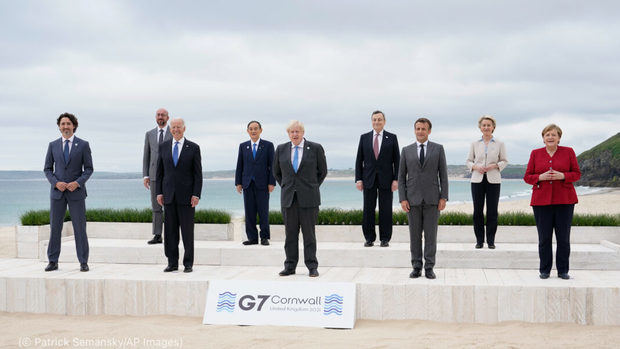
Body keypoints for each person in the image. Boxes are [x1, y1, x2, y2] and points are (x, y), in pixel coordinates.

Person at [524, 124, 580, 280]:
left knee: (563, 238)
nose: (550, 137)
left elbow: (577, 174)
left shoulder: (568, 152)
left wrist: (563, 176)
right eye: (547, 134)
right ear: (543, 138)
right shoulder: (535, 153)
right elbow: (527, 177)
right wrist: (539, 178)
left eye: (553, 135)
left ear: (559, 138)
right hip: (541, 202)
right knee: (544, 238)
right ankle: (544, 270)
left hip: (565, 201)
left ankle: (563, 271)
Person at [273, 120, 327, 277]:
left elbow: (322, 171)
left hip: (309, 199)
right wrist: (286, 186)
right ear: (288, 134)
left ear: (303, 133)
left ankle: (312, 266)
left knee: (309, 235)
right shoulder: (281, 149)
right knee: (290, 235)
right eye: (292, 132)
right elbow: (276, 172)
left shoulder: (315, 148)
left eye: (297, 131)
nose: (295, 134)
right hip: (289, 198)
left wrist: (311, 186)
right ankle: (290, 266)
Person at [398, 118, 448, 279]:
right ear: (414, 130)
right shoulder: (406, 150)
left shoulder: (438, 149)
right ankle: (416, 266)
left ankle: (429, 267)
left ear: (429, 131)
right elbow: (401, 177)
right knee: (414, 236)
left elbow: (443, 175)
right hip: (412, 200)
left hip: (433, 199)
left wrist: (444, 197)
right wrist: (402, 198)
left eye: (423, 129)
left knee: (431, 236)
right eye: (418, 128)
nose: (420, 131)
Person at [43, 113, 93, 272]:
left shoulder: (83, 145)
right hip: (57, 193)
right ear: (59, 126)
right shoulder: (53, 145)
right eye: (63, 124)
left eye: (68, 124)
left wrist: (77, 183)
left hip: (76, 193)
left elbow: (89, 169)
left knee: (80, 228)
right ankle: (52, 260)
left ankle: (83, 261)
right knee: (55, 227)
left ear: (74, 126)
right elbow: (47, 169)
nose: (65, 126)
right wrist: (56, 182)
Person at [156, 118, 203, 273]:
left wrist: (196, 194)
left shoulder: (194, 148)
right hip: (168, 196)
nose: (176, 129)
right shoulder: (163, 147)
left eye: (179, 127)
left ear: (184, 128)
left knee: (187, 232)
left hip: (187, 197)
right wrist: (159, 192)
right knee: (170, 232)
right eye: (173, 127)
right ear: (170, 130)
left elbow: (198, 175)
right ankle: (172, 263)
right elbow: (160, 172)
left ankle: (188, 263)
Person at [355, 110, 400, 247]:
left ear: (384, 121)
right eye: (374, 119)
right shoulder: (364, 137)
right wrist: (358, 179)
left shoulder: (392, 138)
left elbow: (397, 160)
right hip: (368, 179)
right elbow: (359, 160)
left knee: (385, 209)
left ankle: (385, 238)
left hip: (387, 180)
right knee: (368, 210)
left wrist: (396, 179)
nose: (377, 122)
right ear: (371, 121)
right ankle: (369, 238)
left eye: (379, 119)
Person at [465, 115, 508, 249]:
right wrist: (475, 167)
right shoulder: (474, 143)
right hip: (477, 179)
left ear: (493, 127)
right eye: (484, 125)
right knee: (477, 210)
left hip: (494, 180)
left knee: (492, 211)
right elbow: (468, 161)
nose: (486, 127)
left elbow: (504, 161)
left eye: (489, 125)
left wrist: (494, 166)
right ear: (480, 127)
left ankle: (490, 241)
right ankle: (479, 240)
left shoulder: (500, 143)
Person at [235, 121, 276, 246]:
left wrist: (271, 182)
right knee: (249, 212)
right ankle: (252, 238)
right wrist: (238, 183)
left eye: (256, 129)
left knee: (263, 211)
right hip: (247, 183)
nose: (253, 131)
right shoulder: (243, 146)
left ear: (260, 130)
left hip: (263, 184)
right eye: (251, 129)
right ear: (248, 131)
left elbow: (272, 166)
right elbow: (239, 165)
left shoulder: (268, 145)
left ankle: (264, 237)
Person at [142, 108, 172, 244]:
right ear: (156, 117)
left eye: (163, 115)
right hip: (154, 175)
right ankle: (157, 235)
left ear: (167, 117)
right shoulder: (149, 134)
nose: (160, 117)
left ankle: (172, 234)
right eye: (158, 115)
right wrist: (145, 175)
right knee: (156, 207)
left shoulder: (174, 132)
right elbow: (146, 155)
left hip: (170, 175)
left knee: (170, 206)